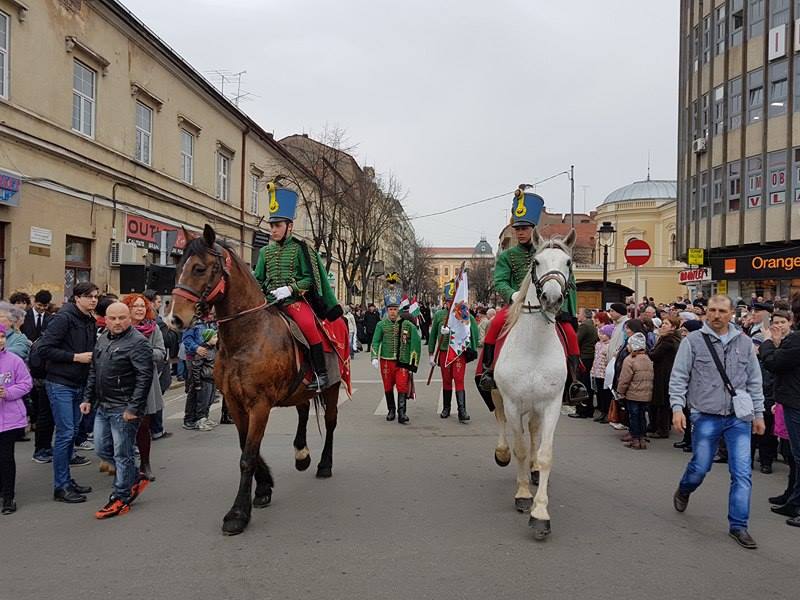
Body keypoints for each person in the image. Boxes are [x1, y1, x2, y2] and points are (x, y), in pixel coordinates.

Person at [670, 295, 765, 549]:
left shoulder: (744, 343)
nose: (716, 315)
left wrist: (759, 414)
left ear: (731, 313)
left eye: (722, 310)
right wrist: (677, 408)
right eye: (712, 310)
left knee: (742, 473)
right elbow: (679, 376)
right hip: (706, 414)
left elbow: (755, 382)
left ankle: (738, 525)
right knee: (700, 467)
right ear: (706, 312)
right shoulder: (693, 342)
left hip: (738, 418)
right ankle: (685, 489)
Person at [253, 184, 341, 392]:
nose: (273, 229)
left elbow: (309, 279)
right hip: (270, 303)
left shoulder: (301, 249)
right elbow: (258, 278)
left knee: (309, 327)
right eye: (271, 225)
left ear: (289, 226)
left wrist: (290, 289)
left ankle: (321, 375)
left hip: (294, 303)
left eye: (278, 225)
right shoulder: (265, 252)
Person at [80, 302, 153, 519]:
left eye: (122, 318)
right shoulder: (103, 338)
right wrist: (88, 398)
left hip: (124, 407)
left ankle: (121, 497)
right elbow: (94, 370)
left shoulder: (138, 342)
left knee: (123, 453)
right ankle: (133, 477)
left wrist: (133, 408)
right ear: (106, 319)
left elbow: (144, 377)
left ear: (129, 318)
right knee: (102, 450)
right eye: (113, 318)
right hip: (103, 405)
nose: (117, 322)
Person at [37, 281, 98, 503]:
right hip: (60, 383)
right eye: (89, 296)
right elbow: (44, 349)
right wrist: (75, 357)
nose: (93, 300)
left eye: (96, 296)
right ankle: (60, 487)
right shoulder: (63, 318)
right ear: (77, 298)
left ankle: (67, 480)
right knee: (65, 434)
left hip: (78, 383)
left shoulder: (89, 319)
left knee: (71, 434)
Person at [759, 302, 800, 525]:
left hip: (794, 401)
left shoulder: (795, 339)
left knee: (798, 454)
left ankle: (796, 503)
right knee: (794, 456)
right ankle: (792, 499)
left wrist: (768, 343)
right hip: (788, 400)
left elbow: (774, 363)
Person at [122, 294, 166, 481]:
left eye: (142, 306)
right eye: (135, 306)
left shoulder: (153, 328)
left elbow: (161, 353)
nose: (140, 309)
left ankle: (145, 464)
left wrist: (143, 351)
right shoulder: (120, 327)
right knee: (122, 428)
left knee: (143, 426)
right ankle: (123, 464)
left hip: (146, 381)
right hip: (122, 382)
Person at [428, 281, 479, 422]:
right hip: (444, 352)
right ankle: (446, 408)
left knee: (459, 380)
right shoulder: (439, 315)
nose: (451, 304)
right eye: (449, 301)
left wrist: (471, 345)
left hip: (458, 353)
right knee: (446, 381)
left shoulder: (463, 313)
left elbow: (473, 327)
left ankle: (462, 410)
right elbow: (432, 337)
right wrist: (431, 354)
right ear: (446, 301)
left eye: (454, 301)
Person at [371, 292, 421, 424]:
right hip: (386, 361)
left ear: (398, 310)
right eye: (390, 309)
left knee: (402, 386)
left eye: (395, 309)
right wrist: (374, 356)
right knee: (387, 386)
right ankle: (391, 410)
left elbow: (415, 342)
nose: (393, 312)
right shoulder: (381, 325)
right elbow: (375, 341)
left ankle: (402, 412)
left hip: (402, 362)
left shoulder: (407, 325)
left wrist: (413, 362)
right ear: (387, 310)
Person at [0, 323, 34, 514]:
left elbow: (26, 383)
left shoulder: (14, 360)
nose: (0, 340)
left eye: (2, 336)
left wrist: (8, 392)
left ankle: (8, 496)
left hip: (8, 418)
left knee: (6, 457)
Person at [144, 289, 176, 439]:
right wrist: (169, 327)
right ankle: (155, 429)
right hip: (155, 367)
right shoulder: (157, 322)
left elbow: (160, 349)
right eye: (158, 302)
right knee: (155, 397)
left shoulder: (155, 323)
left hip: (158, 362)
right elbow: (168, 340)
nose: (159, 305)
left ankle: (153, 429)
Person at [615, 332, 653, 450]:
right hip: (646, 393)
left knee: (634, 416)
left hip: (633, 393)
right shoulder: (647, 358)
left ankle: (635, 439)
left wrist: (620, 391)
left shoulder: (630, 360)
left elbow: (625, 378)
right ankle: (642, 438)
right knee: (642, 416)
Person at [648, 315, 682, 439]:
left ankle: (662, 429)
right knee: (661, 401)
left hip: (664, 373)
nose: (663, 326)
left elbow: (654, 355)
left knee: (662, 401)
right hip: (664, 371)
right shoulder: (667, 339)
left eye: (666, 324)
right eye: (663, 323)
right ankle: (660, 426)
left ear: (673, 327)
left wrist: (648, 351)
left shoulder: (668, 341)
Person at [570, 308, 598, 419]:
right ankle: (588, 409)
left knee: (581, 384)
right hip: (589, 357)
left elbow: (575, 340)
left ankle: (582, 410)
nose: (577, 315)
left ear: (584, 315)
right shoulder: (591, 324)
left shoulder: (584, 326)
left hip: (583, 358)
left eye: (579, 313)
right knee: (587, 384)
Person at [591, 324, 614, 423]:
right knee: (599, 393)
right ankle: (602, 412)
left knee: (606, 394)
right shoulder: (598, 344)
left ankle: (606, 413)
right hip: (597, 372)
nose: (601, 335)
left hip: (604, 373)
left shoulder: (610, 346)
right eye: (600, 333)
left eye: (604, 334)